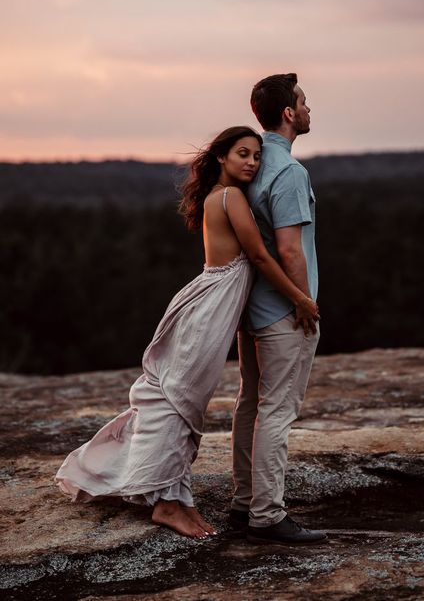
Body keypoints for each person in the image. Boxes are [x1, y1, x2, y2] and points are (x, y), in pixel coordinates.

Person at [55, 126, 318, 540]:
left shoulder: (223, 196)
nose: (251, 162)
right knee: (180, 400)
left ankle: (174, 498)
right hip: (208, 311)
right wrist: (301, 300)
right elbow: (262, 258)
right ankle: (167, 503)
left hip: (211, 307)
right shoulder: (230, 197)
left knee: (183, 401)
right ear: (221, 159)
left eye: (255, 156)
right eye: (242, 154)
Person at [230, 74, 328, 545]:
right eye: (305, 103)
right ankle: (267, 514)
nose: (310, 109)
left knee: (251, 403)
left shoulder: (248, 165)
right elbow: (289, 251)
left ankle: (244, 502)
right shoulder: (289, 172)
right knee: (276, 411)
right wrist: (305, 305)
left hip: (250, 311)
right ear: (289, 113)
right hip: (283, 312)